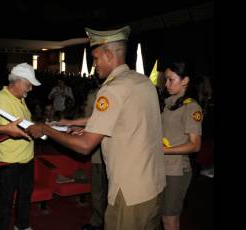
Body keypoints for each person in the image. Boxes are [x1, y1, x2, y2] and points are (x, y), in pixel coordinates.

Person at [27, 25, 166, 230]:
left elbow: (85, 146)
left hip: (128, 192)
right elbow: (121, 119)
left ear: (109, 54)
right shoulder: (142, 82)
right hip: (154, 185)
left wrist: (47, 130)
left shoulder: (111, 89)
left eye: (96, 58)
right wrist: (72, 123)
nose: (94, 65)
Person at [0, 63, 41, 230]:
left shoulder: (20, 98)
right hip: (9, 161)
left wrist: (40, 127)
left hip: (26, 157)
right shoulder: (2, 99)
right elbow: (14, 130)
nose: (30, 89)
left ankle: (22, 224)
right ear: (18, 81)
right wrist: (39, 130)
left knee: (25, 196)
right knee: (5, 200)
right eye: (28, 84)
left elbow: (26, 123)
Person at [59, 82, 108, 230]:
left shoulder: (105, 95)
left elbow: (97, 121)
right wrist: (77, 127)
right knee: (98, 190)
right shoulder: (96, 94)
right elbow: (90, 120)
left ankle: (103, 222)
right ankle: (98, 221)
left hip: (102, 149)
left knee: (103, 190)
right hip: (96, 147)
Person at [161, 61, 202, 230]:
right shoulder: (169, 103)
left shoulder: (191, 108)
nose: (166, 84)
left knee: (169, 219)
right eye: (166, 79)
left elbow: (195, 145)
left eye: (171, 79)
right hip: (163, 166)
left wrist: (164, 150)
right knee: (163, 216)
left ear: (185, 81)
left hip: (177, 170)